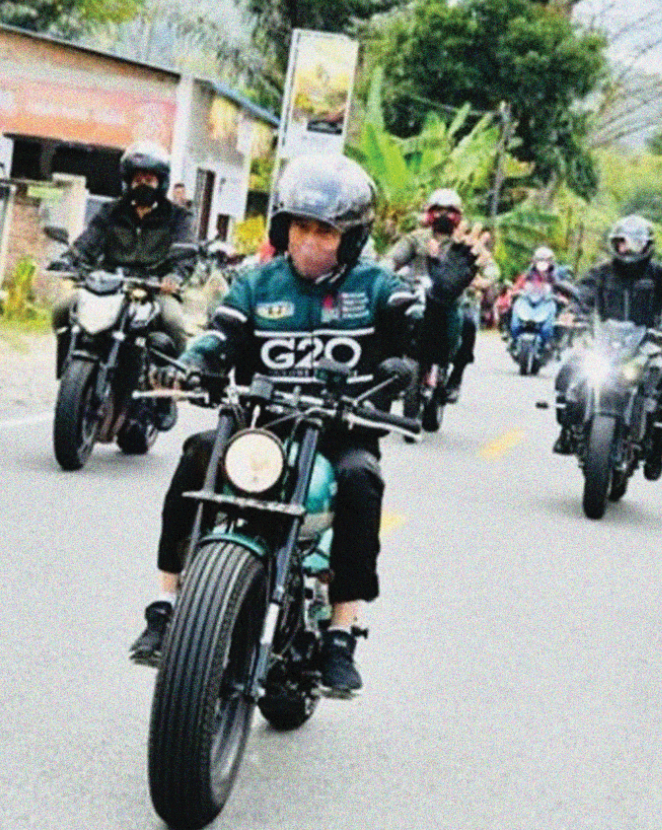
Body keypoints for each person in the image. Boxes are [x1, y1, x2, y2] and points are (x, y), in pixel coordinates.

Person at [127, 154, 451, 695]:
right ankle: (166, 605)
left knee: (360, 481)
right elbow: (221, 337)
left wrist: (437, 310)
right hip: (263, 427)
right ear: (284, 227)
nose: (310, 241)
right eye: (301, 227)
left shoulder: (376, 286)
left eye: (325, 231)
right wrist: (190, 365)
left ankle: (340, 635)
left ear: (349, 237)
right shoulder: (258, 285)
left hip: (342, 429)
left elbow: (423, 343)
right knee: (196, 453)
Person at [49, 141, 194, 436]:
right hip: (109, 283)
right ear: (128, 180)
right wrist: (69, 260)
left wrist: (175, 278)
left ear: (160, 181)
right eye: (137, 178)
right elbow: (88, 242)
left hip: (154, 288)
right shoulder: (111, 211)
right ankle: (70, 374)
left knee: (175, 324)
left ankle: (167, 392)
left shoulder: (177, 217)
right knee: (63, 309)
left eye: (149, 178)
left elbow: (185, 254)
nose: (143, 183)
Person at [552, 215, 662, 480]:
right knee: (569, 369)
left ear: (647, 246)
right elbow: (583, 294)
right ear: (614, 245)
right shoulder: (602, 273)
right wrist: (572, 312)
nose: (628, 249)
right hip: (604, 343)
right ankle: (566, 430)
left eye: (635, 244)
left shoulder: (656, 276)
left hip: (644, 346)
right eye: (622, 243)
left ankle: (656, 452)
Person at [382, 188, 494, 403]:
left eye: (449, 211)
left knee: (469, 323)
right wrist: (384, 271)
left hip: (454, 301)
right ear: (429, 213)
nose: (443, 216)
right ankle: (390, 372)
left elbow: (489, 267)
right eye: (438, 210)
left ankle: (456, 377)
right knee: (389, 316)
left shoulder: (466, 243)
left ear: (458, 216)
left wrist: (483, 281)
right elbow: (393, 258)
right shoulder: (416, 239)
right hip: (418, 295)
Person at [508, 245, 577, 343]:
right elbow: (518, 286)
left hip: (547, 304)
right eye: (540, 260)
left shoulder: (555, 277)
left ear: (551, 262)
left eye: (545, 260)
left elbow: (562, 290)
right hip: (528, 303)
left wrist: (561, 298)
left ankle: (553, 342)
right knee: (513, 308)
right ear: (535, 261)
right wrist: (514, 292)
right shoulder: (528, 275)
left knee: (557, 321)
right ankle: (508, 333)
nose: (542, 264)